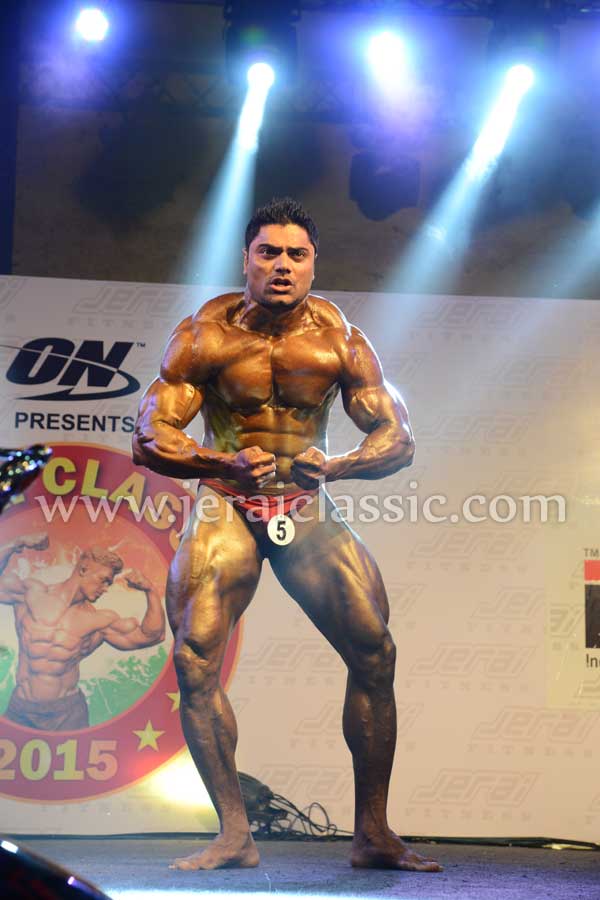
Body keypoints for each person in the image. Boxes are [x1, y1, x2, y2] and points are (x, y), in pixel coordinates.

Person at [133, 197, 441, 873]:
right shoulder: (204, 337)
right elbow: (149, 437)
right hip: (226, 502)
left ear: (313, 263)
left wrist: (340, 465)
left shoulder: (340, 340)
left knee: (375, 651)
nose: (281, 265)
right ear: (245, 259)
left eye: (296, 254)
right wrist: (219, 461)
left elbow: (398, 438)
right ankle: (234, 834)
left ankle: (373, 832)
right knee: (194, 656)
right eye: (268, 252)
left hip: (303, 504)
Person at [0, 535, 165, 731]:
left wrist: (150, 590)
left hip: (66, 713)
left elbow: (152, 636)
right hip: (21, 708)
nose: (105, 589)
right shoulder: (30, 594)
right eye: (103, 580)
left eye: (109, 584)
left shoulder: (100, 620)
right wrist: (16, 544)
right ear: (84, 569)